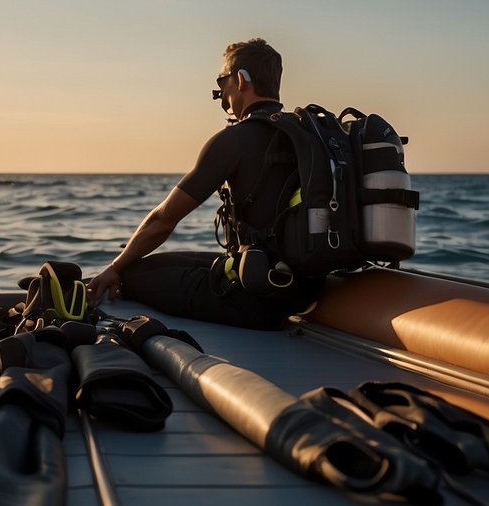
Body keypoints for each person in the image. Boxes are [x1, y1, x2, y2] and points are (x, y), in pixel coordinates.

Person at [85, 38, 322, 330]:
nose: (221, 94)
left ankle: (96, 283)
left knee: (132, 273)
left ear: (240, 80)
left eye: (222, 82)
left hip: (254, 298)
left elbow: (163, 220)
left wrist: (115, 267)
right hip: (302, 288)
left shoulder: (234, 140)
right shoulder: (309, 137)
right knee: (154, 264)